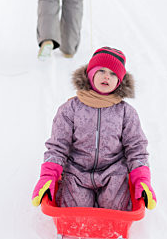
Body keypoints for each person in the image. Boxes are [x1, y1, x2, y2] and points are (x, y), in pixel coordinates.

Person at [32, 46, 157, 211]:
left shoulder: (126, 112)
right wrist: (49, 175)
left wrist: (142, 179)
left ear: (119, 81)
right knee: (76, 211)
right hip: (77, 172)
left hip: (113, 172)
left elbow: (136, 148)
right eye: (102, 71)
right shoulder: (70, 109)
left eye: (113, 74)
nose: (107, 76)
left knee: (114, 209)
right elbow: (58, 146)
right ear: (90, 74)